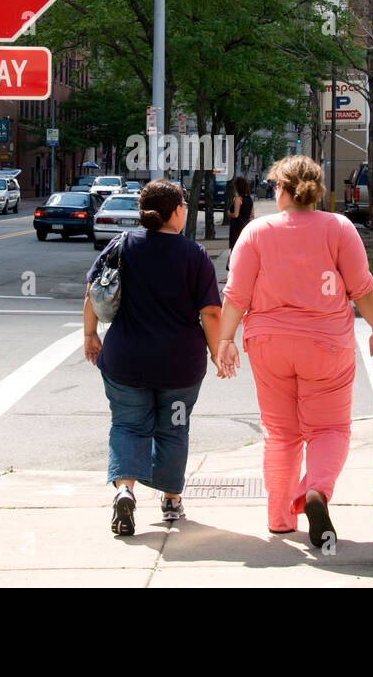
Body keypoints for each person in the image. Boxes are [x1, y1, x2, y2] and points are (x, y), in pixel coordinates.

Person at [215, 155, 373, 548]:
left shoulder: (256, 232)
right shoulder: (339, 228)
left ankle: (280, 518)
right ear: (317, 191)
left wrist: (225, 340)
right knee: (330, 428)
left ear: (283, 189)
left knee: (280, 433)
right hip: (327, 343)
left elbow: (237, 294)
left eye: (275, 186)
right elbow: (361, 287)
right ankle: (317, 490)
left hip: (269, 343)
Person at [83, 179, 225, 536]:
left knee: (128, 425)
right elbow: (210, 312)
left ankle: (125, 490)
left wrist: (90, 335)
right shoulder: (194, 255)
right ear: (177, 211)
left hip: (126, 361)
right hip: (179, 366)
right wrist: (216, 350)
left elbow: (94, 290)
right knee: (173, 430)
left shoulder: (122, 245)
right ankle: (172, 500)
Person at [226, 176, 254, 251]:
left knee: (235, 246)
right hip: (246, 225)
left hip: (237, 226)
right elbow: (252, 215)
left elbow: (236, 214)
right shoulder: (250, 199)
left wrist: (229, 213)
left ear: (238, 187)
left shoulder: (238, 199)